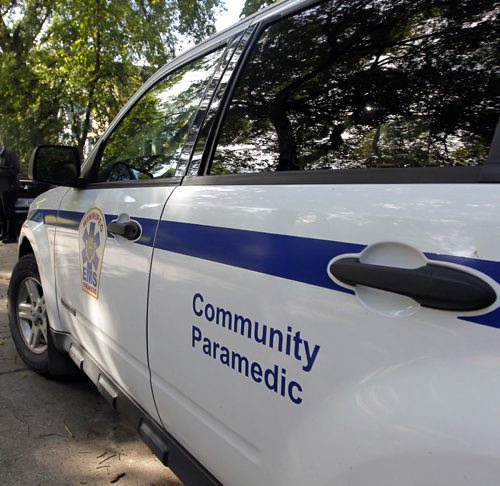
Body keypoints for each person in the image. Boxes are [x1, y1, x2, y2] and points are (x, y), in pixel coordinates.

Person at [0, 136, 20, 243]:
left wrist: (1, 172)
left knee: (9, 212)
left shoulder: (9, 154)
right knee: (2, 212)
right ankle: (4, 234)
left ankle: (12, 235)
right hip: (2, 189)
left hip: (9, 188)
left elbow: (16, 169)